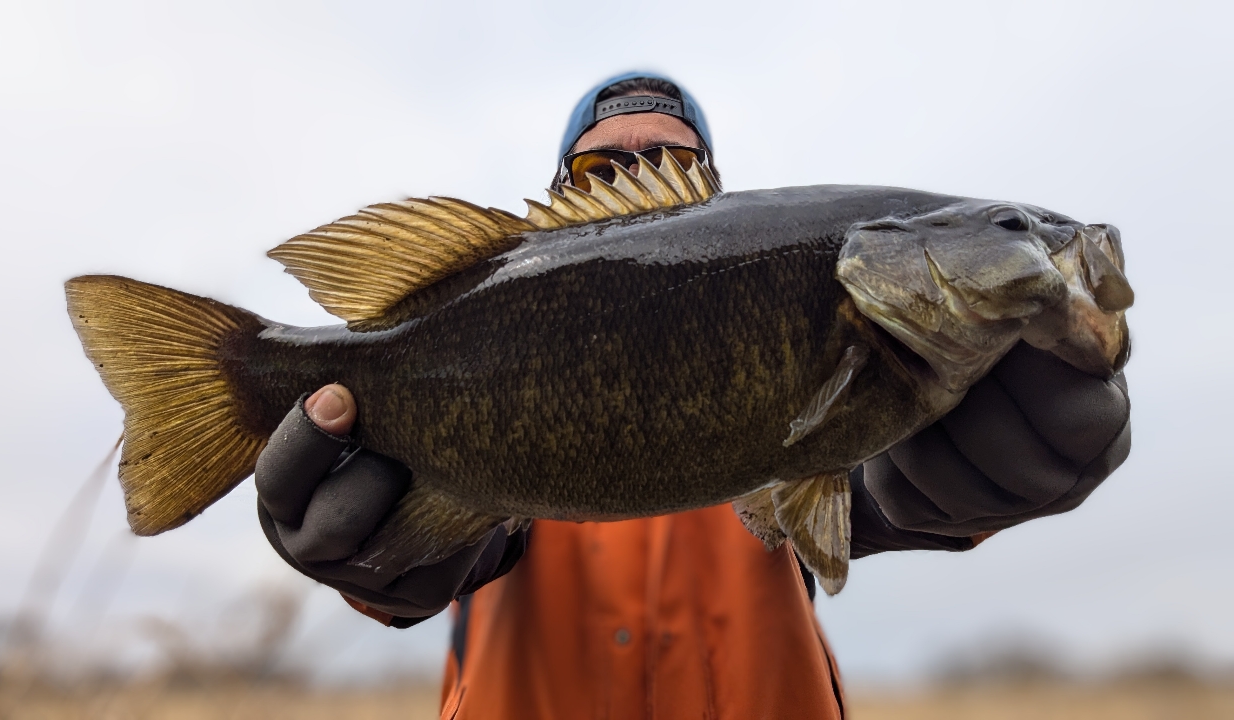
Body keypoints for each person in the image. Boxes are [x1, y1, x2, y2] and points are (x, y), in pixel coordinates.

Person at [254, 72, 1131, 718]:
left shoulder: (851, 365)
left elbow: (876, 499)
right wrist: (383, 564)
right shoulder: (495, 344)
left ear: (710, 192)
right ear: (557, 195)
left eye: (668, 162)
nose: (634, 178)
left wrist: (971, 484)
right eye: (600, 173)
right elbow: (457, 550)